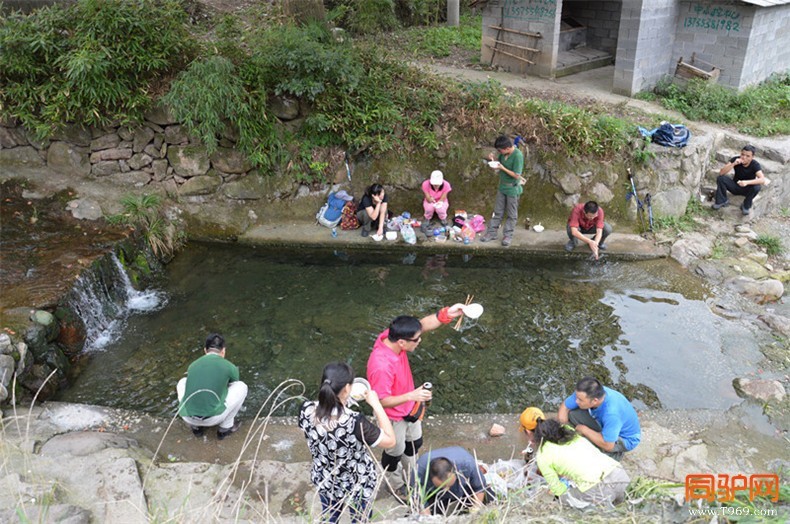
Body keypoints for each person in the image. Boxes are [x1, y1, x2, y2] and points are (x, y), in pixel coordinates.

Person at [366, 304, 466, 497]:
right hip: (393, 416)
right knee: (393, 452)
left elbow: (423, 324)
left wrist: (447, 313)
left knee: (414, 443)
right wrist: (411, 395)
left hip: (409, 408)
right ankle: (395, 484)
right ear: (402, 343)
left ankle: (413, 474)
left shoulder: (392, 336)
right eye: (416, 340)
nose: (419, 341)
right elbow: (380, 401)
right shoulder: (380, 365)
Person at [299, 362, 396, 523]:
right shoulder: (354, 422)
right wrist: (377, 405)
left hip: (326, 478)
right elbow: (390, 441)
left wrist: (343, 403)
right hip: (357, 483)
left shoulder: (305, 408)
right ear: (346, 389)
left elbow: (320, 430)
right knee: (360, 519)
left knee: (330, 517)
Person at [531, 415, 630, 507]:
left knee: (562, 499)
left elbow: (558, 490)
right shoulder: (570, 433)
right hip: (620, 475)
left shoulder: (542, 455)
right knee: (625, 508)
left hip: (598, 490)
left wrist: (564, 486)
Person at [176, 333, 248, 440]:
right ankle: (225, 428)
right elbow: (233, 383)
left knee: (182, 381)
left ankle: (196, 428)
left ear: (205, 350)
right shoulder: (229, 366)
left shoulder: (193, 365)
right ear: (223, 351)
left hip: (187, 416)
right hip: (213, 418)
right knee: (241, 386)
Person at [557, 377, 641, 460]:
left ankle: (614, 455)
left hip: (623, 438)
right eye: (576, 397)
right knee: (572, 414)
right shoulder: (590, 391)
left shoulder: (611, 414)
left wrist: (584, 430)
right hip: (607, 424)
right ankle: (599, 435)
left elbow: (608, 445)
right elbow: (565, 407)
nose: (576, 401)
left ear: (595, 401)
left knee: (587, 453)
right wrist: (562, 429)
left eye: (580, 400)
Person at [412, 446, 491, 515]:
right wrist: (427, 517)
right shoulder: (418, 472)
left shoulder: (467, 464)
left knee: (490, 497)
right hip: (436, 495)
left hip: (463, 489)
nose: (447, 489)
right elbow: (420, 501)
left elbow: (479, 488)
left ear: (454, 470)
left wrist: (475, 510)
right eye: (442, 486)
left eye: (449, 485)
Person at [479, 135, 524, 247]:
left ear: (507, 148)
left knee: (512, 214)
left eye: (500, 150)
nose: (499, 152)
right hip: (502, 187)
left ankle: (508, 235)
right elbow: (498, 164)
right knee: (498, 211)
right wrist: (492, 160)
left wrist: (502, 168)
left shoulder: (518, 156)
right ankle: (492, 233)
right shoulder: (503, 154)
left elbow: (516, 175)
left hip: (513, 188)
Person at [713, 145, 768, 215]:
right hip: (735, 186)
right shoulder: (736, 159)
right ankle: (722, 201)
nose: (744, 157)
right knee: (721, 178)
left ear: (752, 157)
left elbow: (762, 180)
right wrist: (733, 164)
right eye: (742, 154)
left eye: (748, 156)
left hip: (747, 189)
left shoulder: (755, 164)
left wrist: (746, 182)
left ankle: (746, 205)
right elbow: (721, 172)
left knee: (757, 187)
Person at [420, 170, 453, 235]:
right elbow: (427, 197)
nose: (436, 186)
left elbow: (444, 196)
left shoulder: (446, 184)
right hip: (430, 200)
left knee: (440, 209)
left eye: (437, 184)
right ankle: (427, 218)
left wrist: (440, 202)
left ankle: (443, 219)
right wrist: (430, 199)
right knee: (429, 208)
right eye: (434, 184)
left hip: (441, 200)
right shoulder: (425, 184)